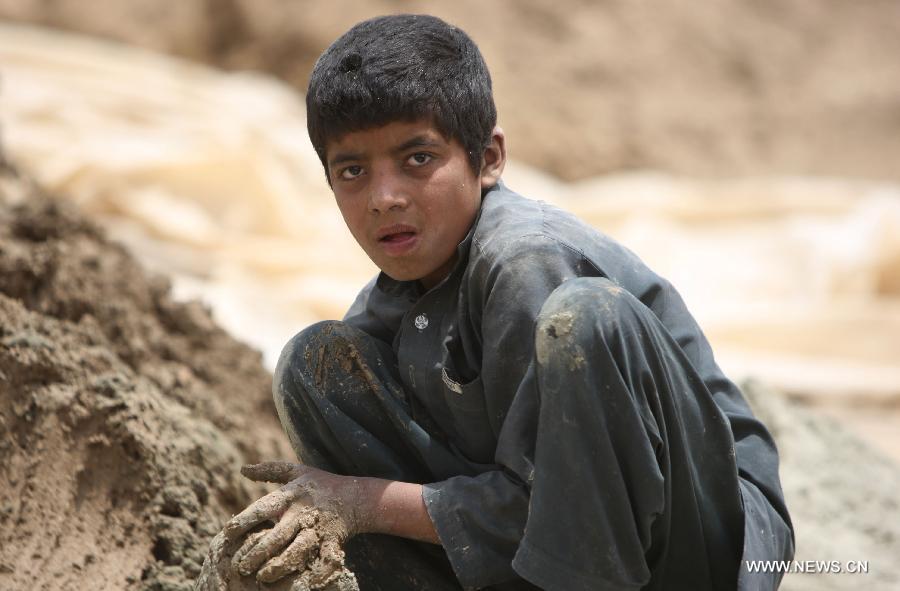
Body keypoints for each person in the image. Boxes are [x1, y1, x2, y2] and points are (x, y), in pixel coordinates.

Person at [219, 13, 794, 591]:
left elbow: (559, 503)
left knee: (585, 319)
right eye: (352, 171)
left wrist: (360, 502)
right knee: (314, 364)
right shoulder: (395, 299)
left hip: (695, 547)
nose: (384, 197)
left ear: (488, 158)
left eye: (418, 159)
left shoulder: (526, 261)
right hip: (550, 543)